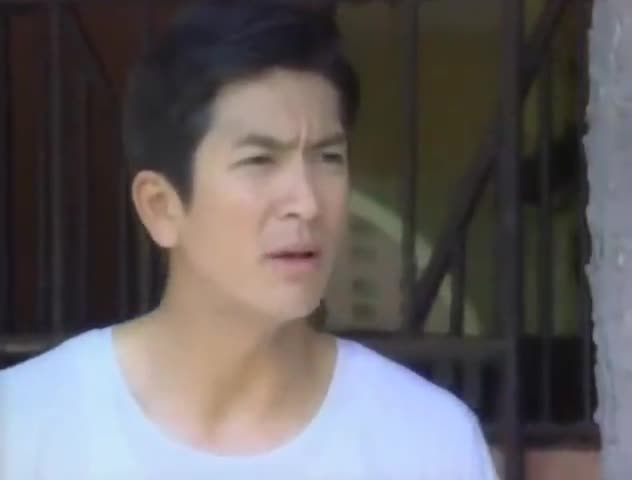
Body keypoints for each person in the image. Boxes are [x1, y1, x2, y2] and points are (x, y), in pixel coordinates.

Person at [0, 1, 499, 478]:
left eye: (328, 157)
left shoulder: (427, 440)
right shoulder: (27, 426)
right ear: (161, 206)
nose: (307, 202)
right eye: (259, 160)